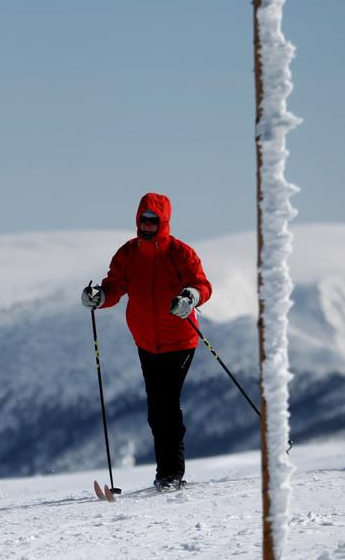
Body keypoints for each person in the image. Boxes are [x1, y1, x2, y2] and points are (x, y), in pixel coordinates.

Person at [81, 192, 212, 492]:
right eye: (143, 218)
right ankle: (166, 473)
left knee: (166, 404)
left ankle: (170, 474)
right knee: (157, 408)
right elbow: (114, 286)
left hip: (180, 339)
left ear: (163, 221)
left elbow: (202, 284)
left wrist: (189, 298)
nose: (148, 224)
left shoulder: (180, 253)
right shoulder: (128, 254)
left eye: (154, 219)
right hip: (146, 341)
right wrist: (99, 297)